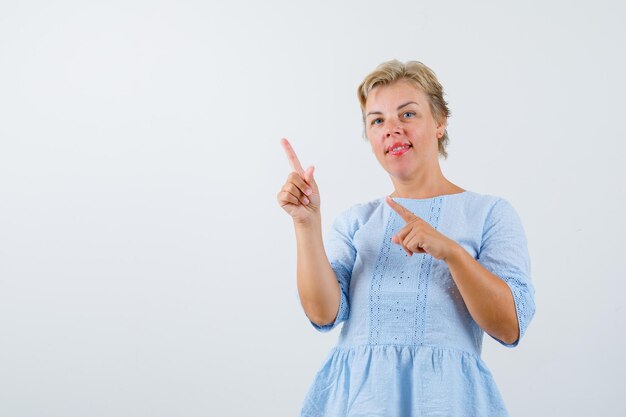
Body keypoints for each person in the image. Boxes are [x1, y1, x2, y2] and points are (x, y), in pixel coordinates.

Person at [276, 59, 536, 417]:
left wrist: (453, 254)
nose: (391, 129)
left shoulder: (489, 214)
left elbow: (509, 327)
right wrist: (306, 223)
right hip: (356, 405)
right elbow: (323, 314)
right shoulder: (356, 221)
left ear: (440, 122)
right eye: (377, 120)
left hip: (447, 404)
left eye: (408, 114)